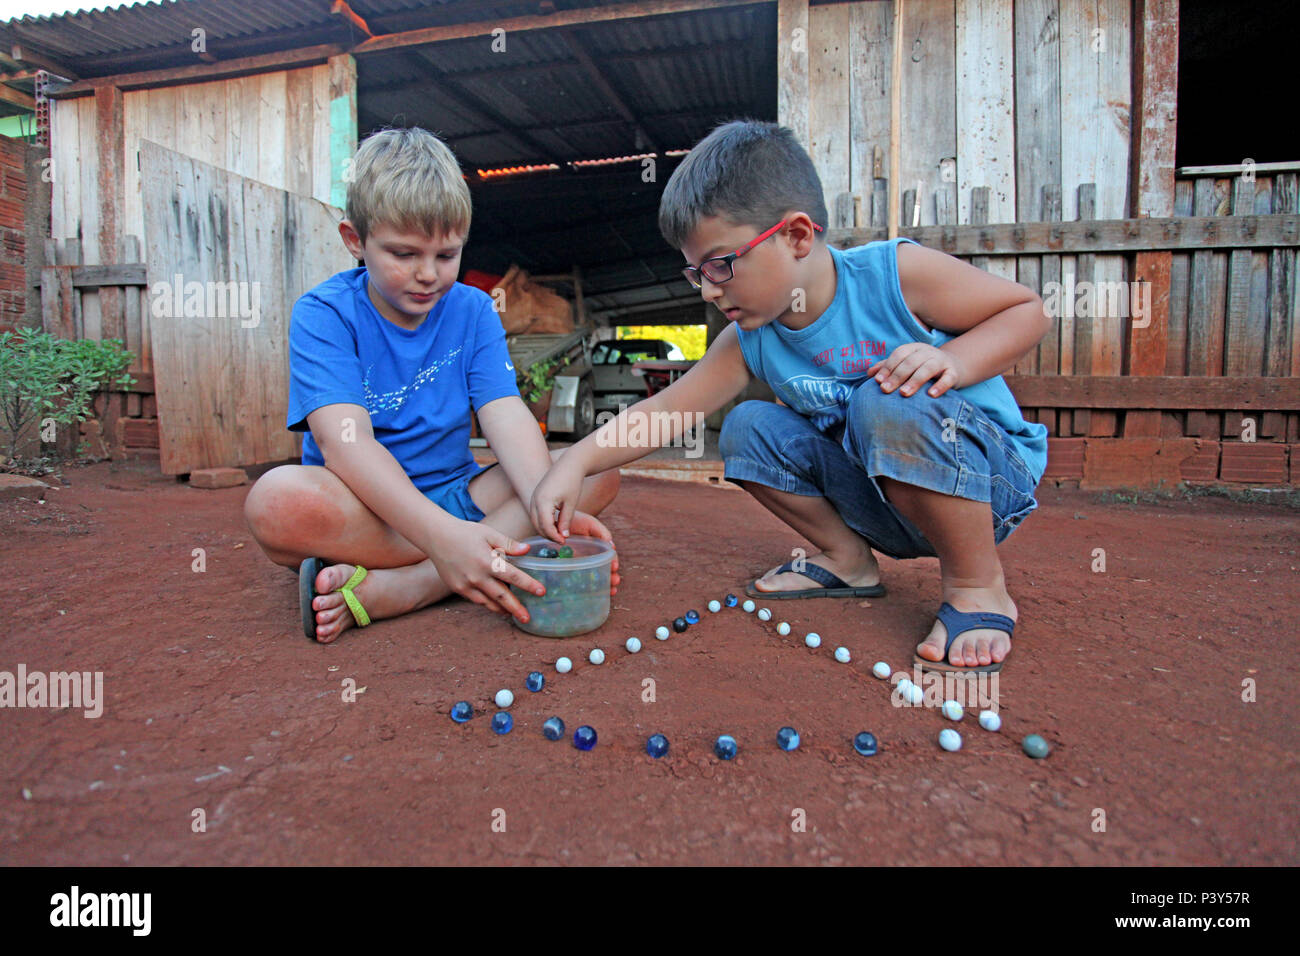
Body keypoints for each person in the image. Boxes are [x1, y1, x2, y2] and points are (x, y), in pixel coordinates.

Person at [530, 120, 1048, 673]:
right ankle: (849, 560)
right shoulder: (752, 339)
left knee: (883, 399)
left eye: (721, 264)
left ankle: (977, 584)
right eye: (695, 272)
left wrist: (955, 360)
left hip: (987, 485)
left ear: (797, 236)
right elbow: (665, 411)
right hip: (884, 497)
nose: (708, 289)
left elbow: (1028, 312)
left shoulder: (894, 276)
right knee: (747, 426)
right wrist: (576, 460)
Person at [243, 127, 619, 643]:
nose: (428, 275)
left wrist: (545, 510)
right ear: (355, 240)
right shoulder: (324, 313)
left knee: (592, 473)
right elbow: (343, 446)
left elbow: (505, 412)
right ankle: (459, 559)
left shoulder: (473, 310)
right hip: (365, 508)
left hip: (461, 498)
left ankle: (413, 585)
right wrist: (448, 538)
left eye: (446, 255)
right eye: (404, 254)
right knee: (277, 502)